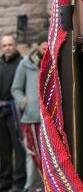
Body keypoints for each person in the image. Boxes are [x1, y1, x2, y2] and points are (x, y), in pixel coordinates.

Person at [11, 31, 46, 192]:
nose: (46, 50)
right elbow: (16, 88)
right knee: (32, 154)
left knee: (48, 154)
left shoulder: (54, 62)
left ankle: (47, 185)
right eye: (43, 47)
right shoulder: (25, 64)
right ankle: (30, 186)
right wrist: (22, 101)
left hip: (49, 118)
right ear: (38, 46)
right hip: (30, 117)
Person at [0, 34, 26, 192]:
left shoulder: (22, 64)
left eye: (10, 45)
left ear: (15, 46)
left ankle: (19, 182)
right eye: (4, 45)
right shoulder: (0, 64)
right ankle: (4, 182)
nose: (8, 48)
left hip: (16, 112)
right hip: (0, 112)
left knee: (19, 148)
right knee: (3, 149)